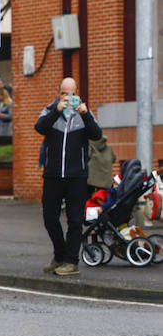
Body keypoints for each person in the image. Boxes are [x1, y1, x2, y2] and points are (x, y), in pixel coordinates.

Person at [35, 77, 102, 276]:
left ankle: (71, 262)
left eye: (71, 93)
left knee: (75, 221)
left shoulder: (83, 114)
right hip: (53, 175)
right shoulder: (49, 110)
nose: (68, 97)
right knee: (49, 217)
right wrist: (57, 110)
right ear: (59, 93)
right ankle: (60, 255)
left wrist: (86, 114)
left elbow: (96, 134)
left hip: (77, 176)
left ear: (77, 93)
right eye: (64, 93)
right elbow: (39, 128)